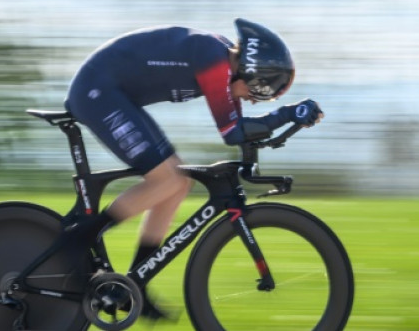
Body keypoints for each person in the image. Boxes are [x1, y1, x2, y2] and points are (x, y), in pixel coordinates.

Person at [60, 18, 323, 320]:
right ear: (250, 74)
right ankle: (78, 239)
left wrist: (286, 118)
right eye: (258, 93)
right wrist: (288, 113)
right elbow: (233, 133)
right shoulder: (213, 61)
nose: (253, 101)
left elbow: (239, 129)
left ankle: (135, 284)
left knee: (178, 185)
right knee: (167, 181)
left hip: (113, 94)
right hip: (98, 92)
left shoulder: (222, 62)